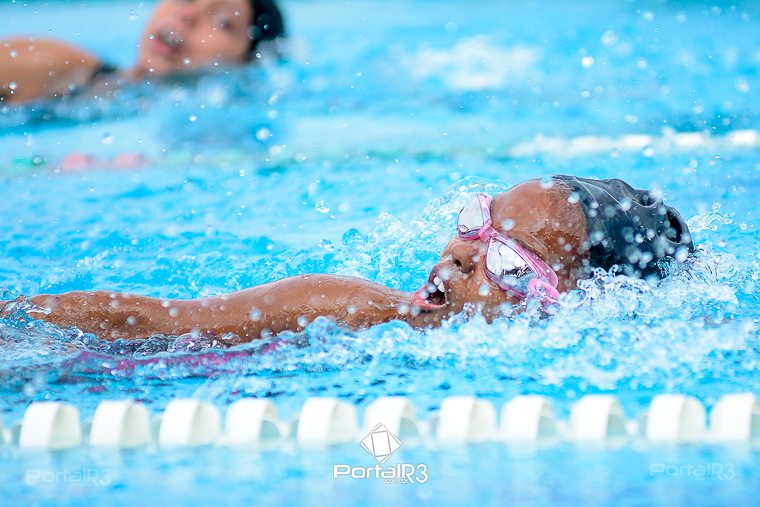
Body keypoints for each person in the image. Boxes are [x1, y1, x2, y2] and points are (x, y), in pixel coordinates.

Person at [2, 175, 694, 342]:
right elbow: (164, 321)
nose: (461, 254)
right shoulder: (352, 306)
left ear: (581, 299)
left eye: (511, 258)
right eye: (475, 223)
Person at [0, 0, 285, 104]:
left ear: (250, 62)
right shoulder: (54, 66)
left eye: (222, 22)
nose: (187, 15)